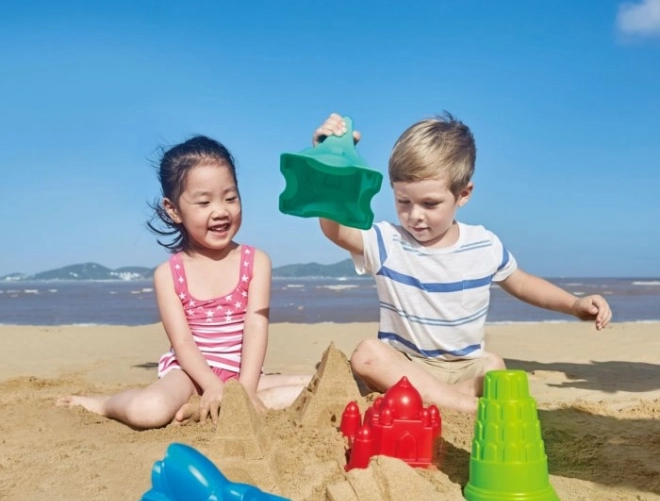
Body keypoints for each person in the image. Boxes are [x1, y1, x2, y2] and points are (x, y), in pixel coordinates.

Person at [311, 113, 612, 413]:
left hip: (463, 368)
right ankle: (460, 405)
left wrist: (574, 305)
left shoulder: (483, 244)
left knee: (493, 366)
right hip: (405, 366)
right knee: (366, 355)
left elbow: (522, 282)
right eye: (403, 201)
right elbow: (335, 230)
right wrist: (328, 165)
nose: (415, 215)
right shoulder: (387, 241)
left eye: (430, 204)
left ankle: (437, 400)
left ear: (463, 194)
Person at [57, 135, 310, 428]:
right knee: (148, 411)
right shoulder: (168, 275)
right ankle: (103, 403)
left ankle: (207, 411)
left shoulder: (256, 262)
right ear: (174, 209)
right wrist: (211, 384)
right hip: (189, 374)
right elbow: (183, 342)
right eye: (204, 202)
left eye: (231, 198)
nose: (220, 210)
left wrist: (247, 388)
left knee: (315, 385)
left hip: (245, 374)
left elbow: (256, 327)